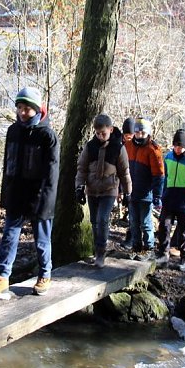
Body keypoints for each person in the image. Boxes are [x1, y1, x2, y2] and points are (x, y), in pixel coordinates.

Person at [0, 87, 59, 298]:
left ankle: (45, 274)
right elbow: (9, 165)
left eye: (28, 109)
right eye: (20, 108)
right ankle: (2, 278)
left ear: (37, 109)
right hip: (16, 195)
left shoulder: (47, 135)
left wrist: (46, 202)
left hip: (39, 197)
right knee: (9, 236)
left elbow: (52, 173)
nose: (23, 113)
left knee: (42, 240)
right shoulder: (13, 131)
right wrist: (5, 194)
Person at [76, 114, 132, 267]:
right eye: (97, 133)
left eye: (104, 133)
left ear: (111, 130)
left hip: (109, 190)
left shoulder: (118, 148)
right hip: (92, 190)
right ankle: (97, 250)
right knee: (94, 222)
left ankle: (101, 252)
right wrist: (79, 187)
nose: (100, 136)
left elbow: (124, 172)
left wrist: (127, 192)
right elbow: (81, 169)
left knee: (102, 219)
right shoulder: (90, 146)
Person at [153, 129, 185, 272]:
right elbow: (164, 177)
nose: (177, 149)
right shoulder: (169, 157)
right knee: (164, 226)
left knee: (184, 230)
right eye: (175, 146)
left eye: (180, 147)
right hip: (169, 199)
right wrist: (160, 195)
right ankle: (163, 254)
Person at [120, 117, 164, 258]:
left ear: (148, 134)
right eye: (137, 133)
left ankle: (149, 249)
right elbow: (123, 169)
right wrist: (123, 190)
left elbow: (159, 175)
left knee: (145, 223)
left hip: (146, 193)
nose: (139, 136)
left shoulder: (153, 150)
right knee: (133, 222)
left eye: (142, 133)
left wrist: (157, 195)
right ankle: (136, 247)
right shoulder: (128, 146)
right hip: (132, 192)